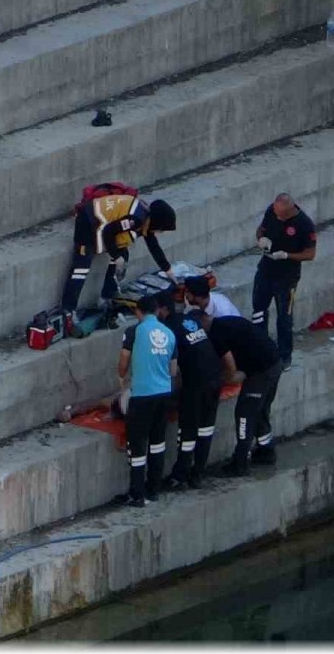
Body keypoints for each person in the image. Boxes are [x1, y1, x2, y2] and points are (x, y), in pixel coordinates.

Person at [60, 182, 177, 325]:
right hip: (88, 222)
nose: (160, 232)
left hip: (102, 226)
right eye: (162, 229)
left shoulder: (145, 217)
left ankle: (107, 297)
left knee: (123, 256)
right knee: (81, 269)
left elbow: (153, 245)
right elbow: (109, 231)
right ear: (157, 222)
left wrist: (167, 269)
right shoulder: (136, 219)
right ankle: (68, 309)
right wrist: (116, 256)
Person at [197, 313, 282, 477]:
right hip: (274, 362)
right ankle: (266, 450)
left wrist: (220, 382)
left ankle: (240, 462)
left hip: (261, 371)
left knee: (245, 414)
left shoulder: (216, 335)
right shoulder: (225, 322)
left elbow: (230, 367)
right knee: (261, 410)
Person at [155, 293, 223, 490]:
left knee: (188, 430)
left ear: (163, 309)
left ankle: (180, 476)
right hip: (215, 377)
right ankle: (198, 474)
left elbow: (171, 369)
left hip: (197, 382)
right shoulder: (188, 320)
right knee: (206, 428)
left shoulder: (167, 330)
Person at [115, 294, 178, 507]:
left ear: (138, 312)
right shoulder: (169, 333)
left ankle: (137, 494)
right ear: (157, 311)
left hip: (142, 396)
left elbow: (123, 362)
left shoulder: (134, 331)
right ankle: (153, 491)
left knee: (138, 444)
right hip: (164, 394)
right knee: (158, 443)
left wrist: (122, 378)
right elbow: (173, 370)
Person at [253, 192, 317, 370]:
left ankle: (284, 357)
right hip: (266, 270)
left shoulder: (304, 224)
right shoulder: (272, 211)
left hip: (287, 278)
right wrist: (261, 239)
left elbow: (310, 254)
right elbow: (261, 229)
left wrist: (288, 256)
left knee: (284, 318)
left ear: (289, 211)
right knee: (258, 311)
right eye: (275, 211)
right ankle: (260, 351)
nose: (277, 216)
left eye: (281, 214)